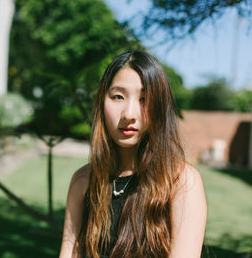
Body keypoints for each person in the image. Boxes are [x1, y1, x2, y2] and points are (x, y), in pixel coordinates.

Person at [59, 50, 207, 258]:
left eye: (144, 99)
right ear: (102, 101)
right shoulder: (84, 181)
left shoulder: (180, 181)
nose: (129, 114)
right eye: (118, 97)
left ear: (160, 107)